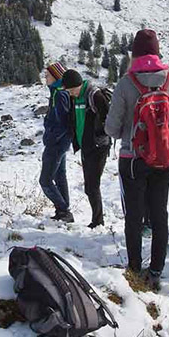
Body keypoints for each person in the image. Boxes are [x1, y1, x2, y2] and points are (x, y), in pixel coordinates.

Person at [105, 30, 169, 290]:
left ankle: (134, 267)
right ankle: (156, 270)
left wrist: (131, 132)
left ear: (134, 53)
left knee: (134, 214)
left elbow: (111, 128)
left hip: (132, 158)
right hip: (164, 159)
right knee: (159, 212)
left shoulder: (126, 83)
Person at [62, 68, 111, 228]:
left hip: (98, 146)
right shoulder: (75, 98)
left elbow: (107, 117)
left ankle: (98, 221)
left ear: (77, 85)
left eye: (70, 90)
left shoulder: (93, 95)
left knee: (92, 185)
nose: (69, 94)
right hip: (86, 146)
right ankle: (97, 219)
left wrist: (100, 135)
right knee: (89, 186)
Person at [40, 62, 73, 221]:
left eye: (47, 75)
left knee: (45, 181)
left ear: (55, 77)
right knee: (60, 176)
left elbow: (62, 122)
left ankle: (63, 209)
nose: (45, 78)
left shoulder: (59, 95)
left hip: (56, 144)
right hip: (61, 143)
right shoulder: (58, 92)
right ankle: (64, 212)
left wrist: (50, 138)